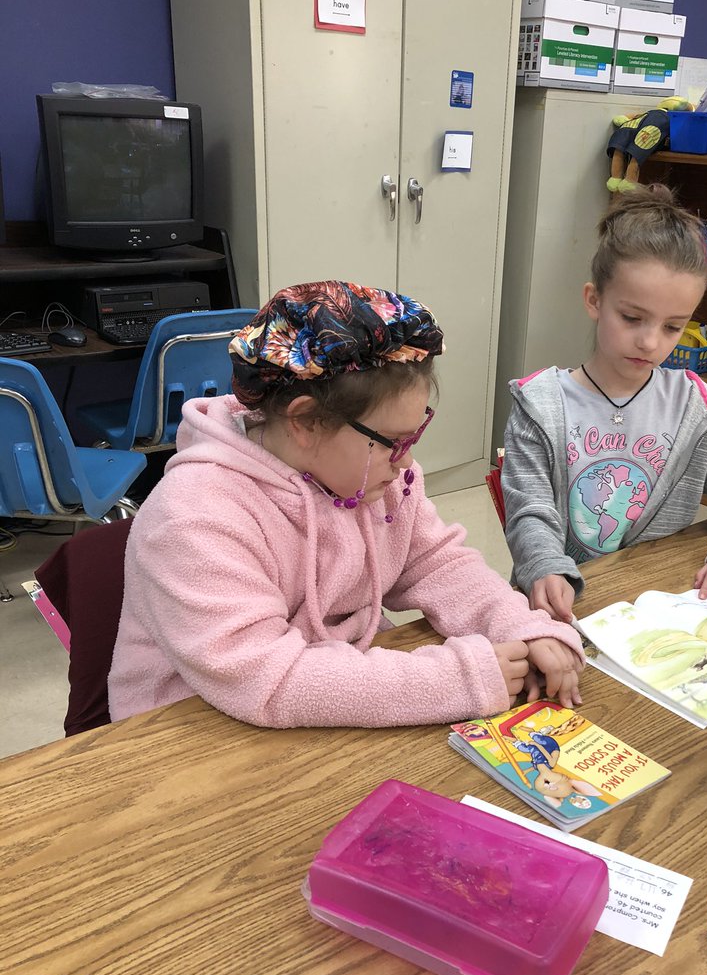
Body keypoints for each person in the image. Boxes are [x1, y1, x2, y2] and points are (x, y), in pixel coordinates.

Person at [108, 281, 585, 728]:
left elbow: (435, 564)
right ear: (306, 422)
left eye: (414, 436)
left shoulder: (376, 477)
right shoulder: (195, 516)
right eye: (392, 441)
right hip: (187, 732)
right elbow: (265, 679)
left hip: (322, 706)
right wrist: (457, 678)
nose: (407, 462)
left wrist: (522, 626)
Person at [501, 186, 707, 622]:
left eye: (673, 327)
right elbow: (529, 511)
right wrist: (544, 568)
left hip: (659, 605)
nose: (649, 341)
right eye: (632, 318)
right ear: (594, 300)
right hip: (562, 609)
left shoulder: (693, 406)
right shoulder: (540, 406)